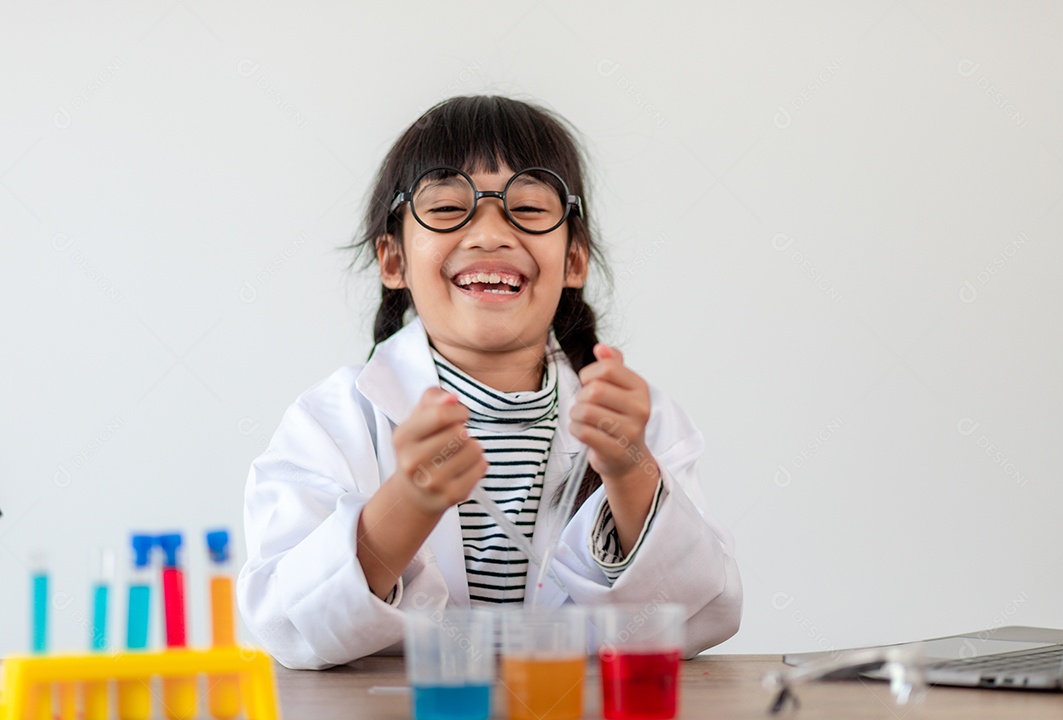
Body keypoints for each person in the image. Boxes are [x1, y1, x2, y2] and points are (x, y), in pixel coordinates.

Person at [237, 95, 741, 670]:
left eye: (527, 209)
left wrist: (631, 474)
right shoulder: (333, 421)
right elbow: (285, 623)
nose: (489, 233)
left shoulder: (641, 419)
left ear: (574, 259)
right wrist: (407, 502)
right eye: (449, 208)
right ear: (393, 259)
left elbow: (703, 614)